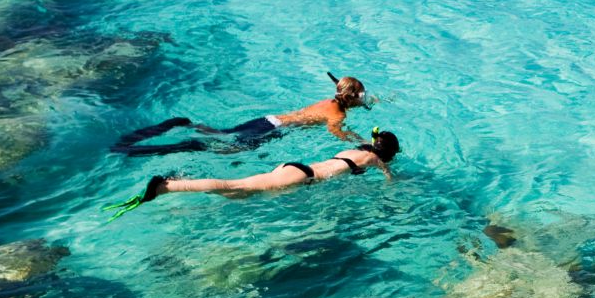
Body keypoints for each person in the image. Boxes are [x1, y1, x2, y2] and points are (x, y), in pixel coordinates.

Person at [103, 129, 402, 220]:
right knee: (235, 185)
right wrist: (396, 187)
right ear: (386, 152)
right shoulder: (374, 159)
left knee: (238, 197)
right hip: (299, 178)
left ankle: (179, 186)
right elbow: (389, 178)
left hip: (295, 169)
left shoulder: (356, 150)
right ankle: (167, 186)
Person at [109, 72, 377, 156]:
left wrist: (369, 101)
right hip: (273, 129)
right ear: (351, 98)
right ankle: (187, 143)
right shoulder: (338, 116)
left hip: (266, 119)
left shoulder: (328, 102)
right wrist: (357, 141)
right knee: (229, 149)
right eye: (362, 95)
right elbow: (334, 130)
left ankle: (185, 124)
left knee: (222, 133)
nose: (364, 98)